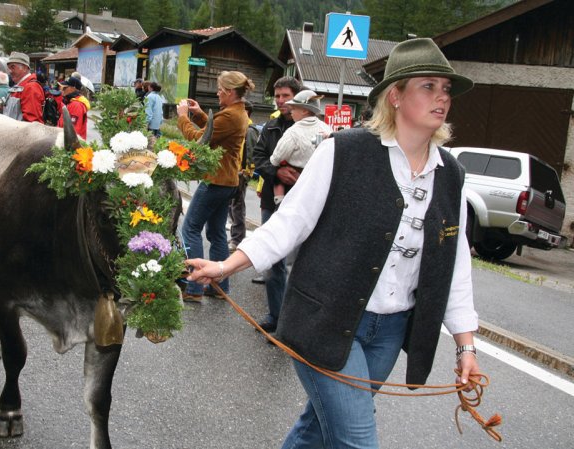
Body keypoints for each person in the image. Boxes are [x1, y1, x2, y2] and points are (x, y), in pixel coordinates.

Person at [185, 38, 480, 449]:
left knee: (318, 429)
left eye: (446, 89)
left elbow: (455, 264)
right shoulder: (344, 151)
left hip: (390, 330)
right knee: (356, 439)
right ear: (394, 95)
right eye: (428, 86)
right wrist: (225, 266)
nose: (442, 98)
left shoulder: (451, 173)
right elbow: (288, 224)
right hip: (325, 320)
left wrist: (466, 345)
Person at [176, 70, 252, 301]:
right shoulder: (237, 112)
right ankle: (220, 287)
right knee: (217, 232)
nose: (217, 93)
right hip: (228, 181)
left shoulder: (229, 116)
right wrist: (199, 114)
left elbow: (199, 141)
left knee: (190, 228)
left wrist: (182, 117)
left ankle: (194, 288)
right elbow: (212, 131)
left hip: (215, 181)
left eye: (220, 90)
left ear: (230, 92)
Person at [250, 76, 302, 330]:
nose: (281, 101)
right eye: (278, 96)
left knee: (299, 264)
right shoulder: (270, 127)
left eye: (286, 96)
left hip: (303, 205)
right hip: (273, 203)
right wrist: (276, 173)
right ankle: (276, 317)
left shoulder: (311, 127)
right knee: (273, 261)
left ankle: (296, 322)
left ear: (298, 97)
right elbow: (258, 158)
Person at [269, 90, 333, 205]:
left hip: (293, 184)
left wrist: (276, 163)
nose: (291, 112)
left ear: (304, 110)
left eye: (293, 108)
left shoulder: (293, 132)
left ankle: (279, 200)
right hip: (318, 183)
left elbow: (276, 158)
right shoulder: (326, 128)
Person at [228, 100, 260, 253]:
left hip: (241, 173)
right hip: (232, 172)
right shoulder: (239, 126)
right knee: (231, 205)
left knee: (237, 205)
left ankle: (237, 238)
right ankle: (235, 235)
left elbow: (253, 153)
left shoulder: (250, 129)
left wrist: (247, 172)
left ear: (246, 111)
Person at [4, 52, 45, 123]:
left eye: (13, 67)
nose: (10, 71)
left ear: (25, 68)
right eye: (9, 68)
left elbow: (33, 122)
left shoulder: (30, 87)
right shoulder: (20, 87)